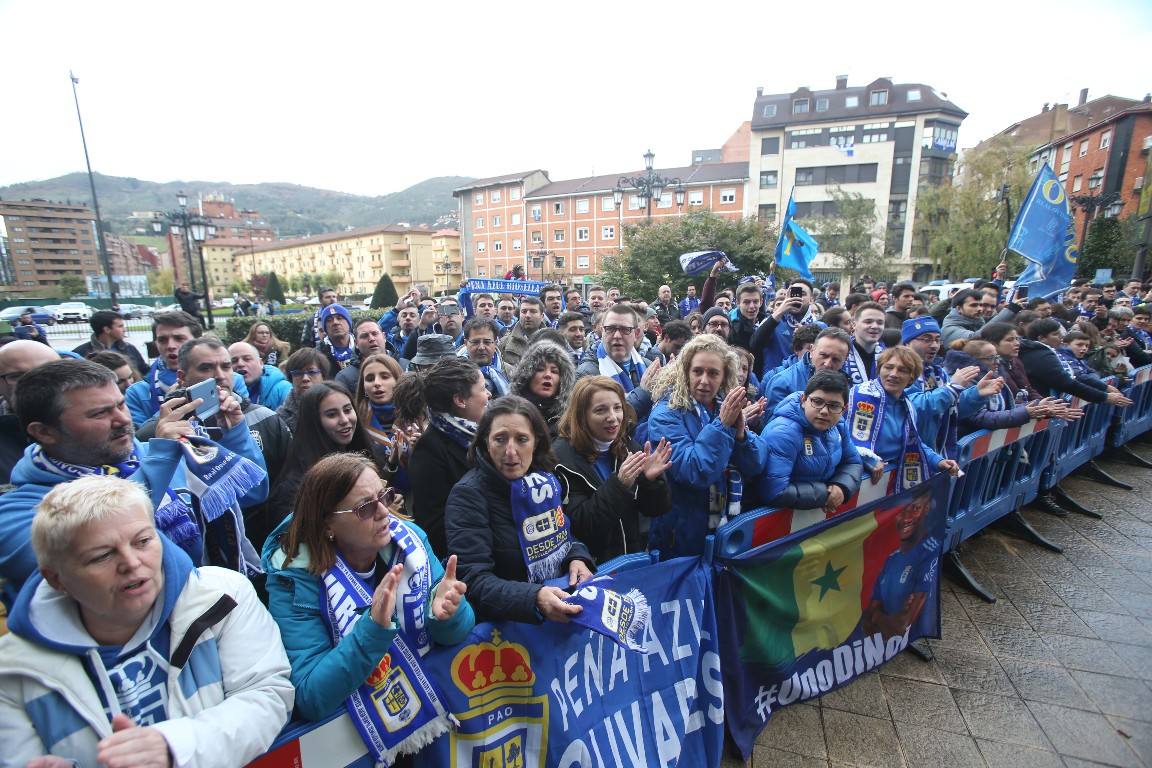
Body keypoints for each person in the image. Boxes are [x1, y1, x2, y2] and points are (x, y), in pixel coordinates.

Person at [0, 475, 293, 767]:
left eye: (143, 541)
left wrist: (174, 747)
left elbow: (267, 695)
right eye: (102, 555)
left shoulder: (224, 596)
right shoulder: (13, 672)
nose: (131, 562)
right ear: (56, 579)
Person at [0, 359, 269, 608]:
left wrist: (235, 432)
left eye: (120, 404)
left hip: (207, 613)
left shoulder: (157, 455)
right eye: (99, 414)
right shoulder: (20, 512)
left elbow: (253, 493)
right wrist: (160, 461)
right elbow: (98, 539)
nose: (123, 420)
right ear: (43, 432)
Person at [262, 454, 472, 760]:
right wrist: (372, 631)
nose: (385, 512)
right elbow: (310, 695)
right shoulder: (292, 580)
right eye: (365, 507)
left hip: (433, 733)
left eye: (384, 496)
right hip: (357, 747)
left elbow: (457, 632)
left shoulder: (409, 543)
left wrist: (448, 616)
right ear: (327, 523)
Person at [444, 396, 595, 623]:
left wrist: (578, 558)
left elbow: (566, 536)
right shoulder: (468, 495)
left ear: (536, 442)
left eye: (522, 439)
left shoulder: (545, 481)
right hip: (509, 632)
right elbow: (473, 580)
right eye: (500, 439)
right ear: (486, 441)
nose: (511, 452)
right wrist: (534, 598)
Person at [646, 334, 767, 558]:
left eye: (713, 373)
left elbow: (756, 465)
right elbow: (695, 470)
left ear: (724, 377)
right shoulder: (665, 413)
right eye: (697, 371)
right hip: (679, 532)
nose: (704, 380)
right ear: (685, 372)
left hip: (721, 522)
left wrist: (740, 436)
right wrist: (722, 426)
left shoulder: (724, 407)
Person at [553, 376, 672, 561]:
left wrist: (650, 482)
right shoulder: (561, 460)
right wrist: (620, 484)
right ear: (581, 416)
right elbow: (581, 527)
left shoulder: (627, 447)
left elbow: (655, 509)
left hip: (630, 562)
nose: (612, 417)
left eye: (617, 408)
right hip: (593, 570)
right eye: (601, 410)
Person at [402, 358, 490, 556]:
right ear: (460, 400)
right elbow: (436, 527)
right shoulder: (429, 450)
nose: (489, 395)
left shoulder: (487, 433)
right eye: (483, 389)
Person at [846, 347, 960, 490]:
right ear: (879, 369)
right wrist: (869, 460)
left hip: (883, 485)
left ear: (911, 377)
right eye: (888, 367)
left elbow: (912, 443)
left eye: (902, 370)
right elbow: (846, 439)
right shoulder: (861, 395)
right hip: (857, 478)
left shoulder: (907, 405)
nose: (893, 374)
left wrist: (939, 461)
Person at [268, 381, 376, 518]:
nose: (344, 420)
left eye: (348, 410)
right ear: (314, 422)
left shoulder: (362, 453)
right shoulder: (295, 488)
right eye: (331, 414)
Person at [758, 370, 862, 511]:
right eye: (817, 402)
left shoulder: (838, 424)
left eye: (834, 406)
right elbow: (774, 491)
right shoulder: (783, 432)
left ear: (844, 409)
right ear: (803, 400)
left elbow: (853, 461)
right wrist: (826, 494)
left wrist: (841, 486)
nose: (825, 411)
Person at [126, 311, 247, 426]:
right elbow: (137, 442)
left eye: (179, 339)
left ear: (198, 340)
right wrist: (171, 406)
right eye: (162, 340)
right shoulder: (137, 392)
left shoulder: (231, 379)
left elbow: (249, 422)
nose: (170, 346)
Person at [861, 490, 938, 640]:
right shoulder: (891, 559)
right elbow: (867, 620)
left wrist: (877, 618)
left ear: (926, 508)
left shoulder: (927, 552)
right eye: (901, 511)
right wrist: (879, 618)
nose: (906, 518)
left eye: (915, 509)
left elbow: (901, 626)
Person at [1021, 318, 1133, 406]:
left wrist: (1103, 388)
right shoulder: (1040, 355)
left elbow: (1077, 377)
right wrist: (1104, 396)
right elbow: (1066, 382)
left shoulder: (1048, 351)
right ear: (1041, 338)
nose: (1061, 337)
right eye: (1055, 334)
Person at [353, 353, 416, 496]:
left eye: (385, 376)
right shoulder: (355, 422)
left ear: (399, 380)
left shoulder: (417, 415)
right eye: (369, 378)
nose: (376, 383)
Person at [762, 328, 852, 412]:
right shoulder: (783, 382)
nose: (827, 363)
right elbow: (775, 425)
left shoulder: (848, 388)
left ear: (845, 359)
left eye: (836, 359)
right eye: (824, 355)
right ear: (812, 350)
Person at [576, 304, 648, 393]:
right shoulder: (586, 375)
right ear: (602, 331)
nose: (617, 336)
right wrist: (643, 393)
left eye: (625, 329)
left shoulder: (648, 367)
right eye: (610, 329)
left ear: (636, 334)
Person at [510, 340, 576, 437]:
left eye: (554, 371)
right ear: (527, 375)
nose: (548, 375)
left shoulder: (570, 419)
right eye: (540, 369)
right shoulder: (510, 412)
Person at [72, 310, 147, 377]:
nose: (124, 330)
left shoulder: (129, 348)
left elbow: (145, 371)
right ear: (107, 329)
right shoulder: (81, 353)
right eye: (120, 326)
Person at [277, 347, 330, 432]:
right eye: (298, 373)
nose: (305, 378)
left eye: (312, 372)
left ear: (323, 375)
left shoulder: (338, 406)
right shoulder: (280, 418)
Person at [229, 341, 292, 411]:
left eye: (247, 359)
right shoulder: (221, 391)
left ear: (261, 363)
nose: (240, 364)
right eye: (234, 361)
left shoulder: (283, 389)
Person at [335, 318, 390, 393]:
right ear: (356, 343)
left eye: (375, 333)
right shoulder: (345, 378)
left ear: (384, 337)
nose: (371, 339)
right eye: (364, 336)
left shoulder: (405, 366)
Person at [497, 296, 546, 373]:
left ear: (542, 316)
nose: (528, 315)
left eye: (533, 311)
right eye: (524, 311)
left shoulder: (552, 342)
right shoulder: (504, 343)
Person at [317, 304, 356, 374]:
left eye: (339, 318)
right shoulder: (317, 355)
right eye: (329, 320)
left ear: (349, 323)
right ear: (324, 327)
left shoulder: (362, 347)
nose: (335, 322)